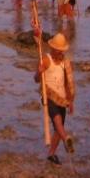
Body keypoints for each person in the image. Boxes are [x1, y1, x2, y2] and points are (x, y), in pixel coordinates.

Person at [34, 33, 76, 165]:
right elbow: (36, 80)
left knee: (59, 127)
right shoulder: (46, 60)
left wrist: (70, 101)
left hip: (61, 98)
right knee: (57, 121)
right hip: (49, 96)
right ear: (52, 49)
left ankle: (51, 154)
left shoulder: (65, 63)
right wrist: (39, 72)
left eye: (61, 51)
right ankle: (66, 138)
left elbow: (67, 84)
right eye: (57, 51)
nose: (59, 53)